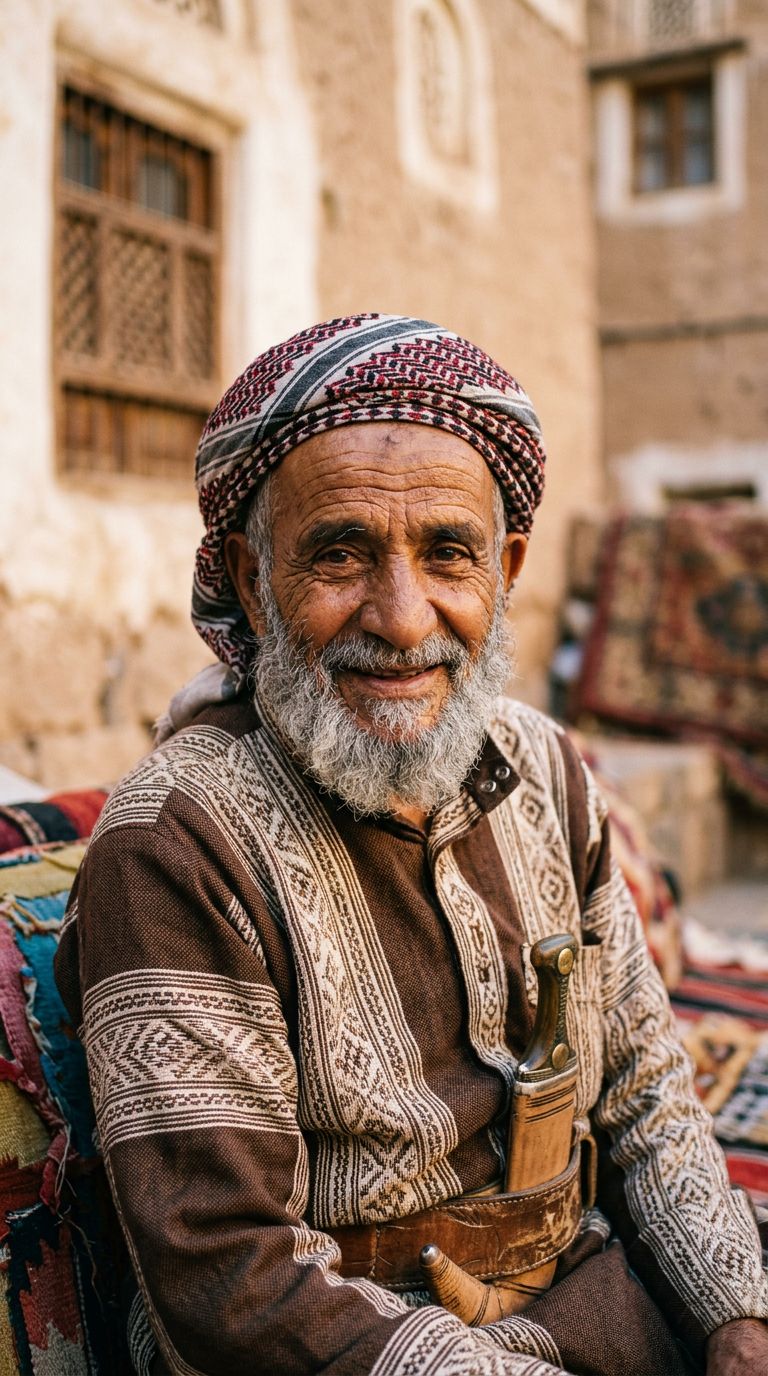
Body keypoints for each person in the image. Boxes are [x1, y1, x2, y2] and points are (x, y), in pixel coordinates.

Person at [55, 314, 768, 1376]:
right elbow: (228, 1279)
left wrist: (736, 1321)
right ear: (252, 581)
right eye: (339, 553)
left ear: (508, 566)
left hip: (591, 1292)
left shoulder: (548, 769)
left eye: (448, 553)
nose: (400, 615)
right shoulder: (177, 846)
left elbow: (645, 1090)